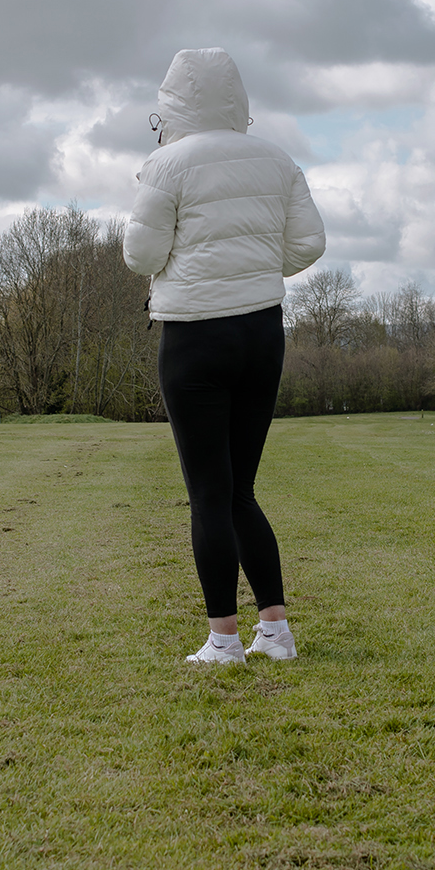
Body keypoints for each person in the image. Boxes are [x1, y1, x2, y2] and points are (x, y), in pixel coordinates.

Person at [124, 48, 325, 666]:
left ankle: (223, 639)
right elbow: (309, 242)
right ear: (236, 100)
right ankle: (276, 630)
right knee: (241, 491)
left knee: (209, 493)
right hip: (261, 331)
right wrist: (256, 274)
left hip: (194, 336)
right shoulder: (278, 160)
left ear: (172, 103)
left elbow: (140, 255)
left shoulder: (167, 164)